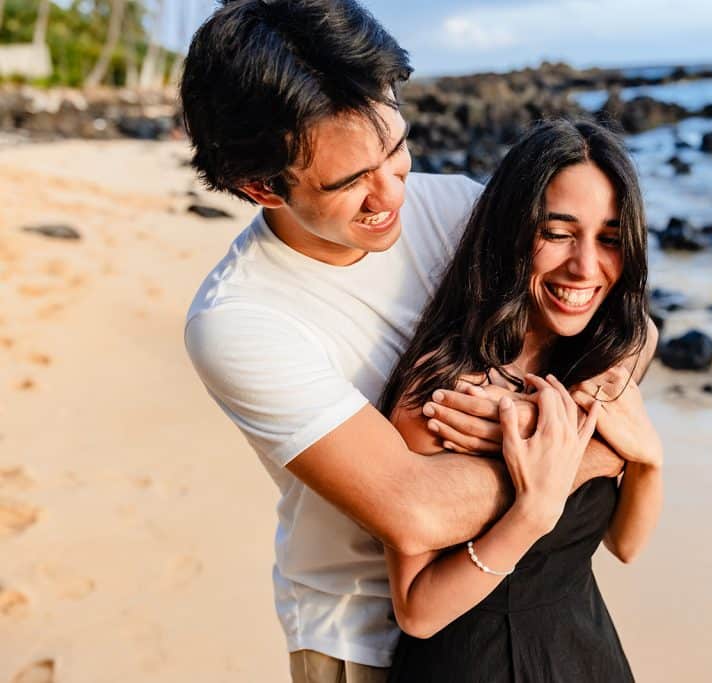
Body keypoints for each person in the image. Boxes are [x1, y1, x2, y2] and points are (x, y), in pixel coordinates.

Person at [180, 1, 627, 681]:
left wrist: (543, 416)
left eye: (395, 150)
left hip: (497, 608)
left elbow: (626, 322)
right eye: (352, 180)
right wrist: (591, 453)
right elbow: (414, 509)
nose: (392, 192)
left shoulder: (453, 208)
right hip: (361, 637)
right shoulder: (240, 320)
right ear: (261, 186)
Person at [379, 119, 663, 682]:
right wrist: (530, 513)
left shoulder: (610, 358)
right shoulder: (444, 398)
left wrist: (648, 459)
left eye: (609, 238)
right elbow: (417, 611)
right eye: (558, 233)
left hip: (587, 654)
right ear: (513, 231)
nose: (585, 266)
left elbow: (626, 545)